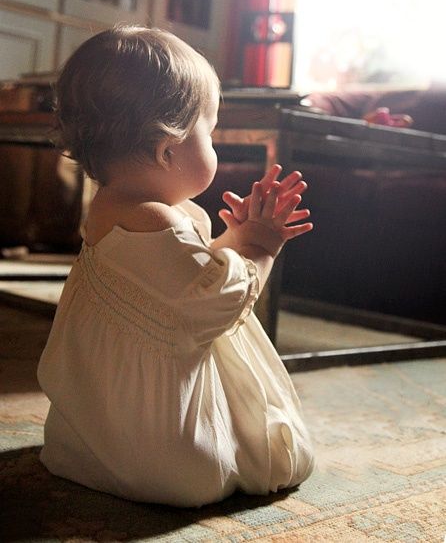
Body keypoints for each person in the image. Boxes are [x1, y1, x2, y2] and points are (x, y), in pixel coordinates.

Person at [37, 25, 315, 508]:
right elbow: (215, 302)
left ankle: (95, 450)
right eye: (210, 132)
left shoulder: (115, 206)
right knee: (281, 456)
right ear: (168, 150)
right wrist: (262, 246)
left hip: (104, 422)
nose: (215, 146)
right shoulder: (153, 218)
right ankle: (167, 459)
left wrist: (234, 239)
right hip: (163, 448)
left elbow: (175, 290)